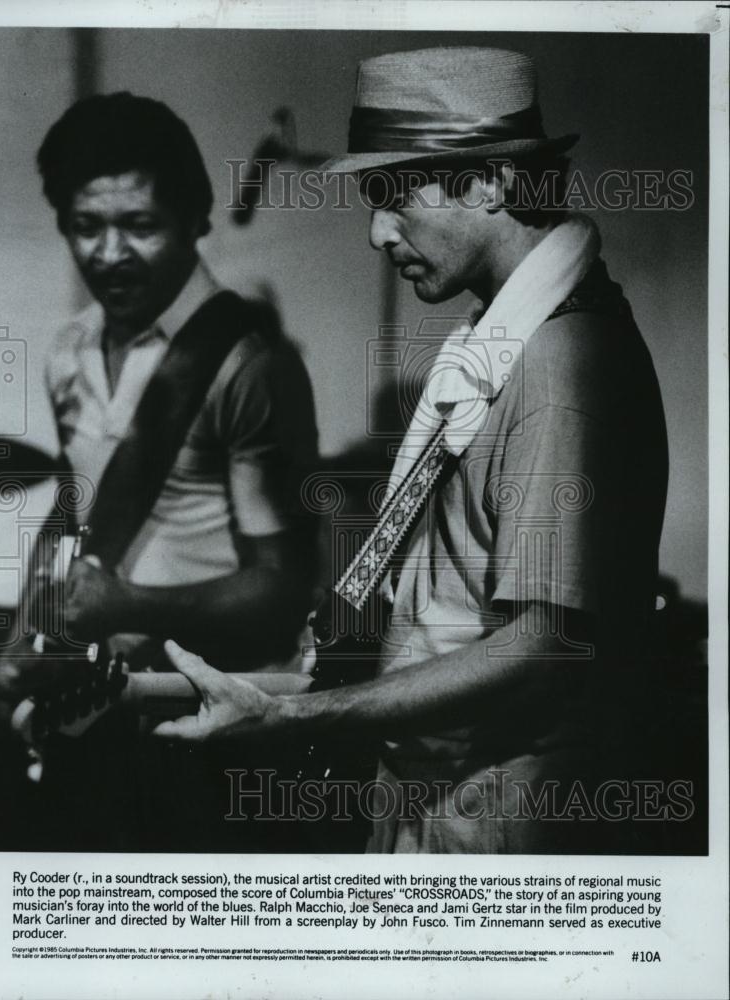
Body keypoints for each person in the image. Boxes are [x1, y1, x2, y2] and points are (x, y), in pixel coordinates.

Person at [153, 47, 670, 854]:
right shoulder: (499, 345)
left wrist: (295, 718)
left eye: (396, 195)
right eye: (370, 198)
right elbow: (437, 622)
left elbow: (541, 650)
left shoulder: (557, 361)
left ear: (494, 181)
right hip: (434, 805)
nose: (376, 232)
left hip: (497, 833)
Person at [0, 92, 318, 850]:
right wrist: (22, 640)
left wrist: (127, 601)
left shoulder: (253, 365)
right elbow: (77, 510)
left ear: (196, 221)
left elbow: (282, 588)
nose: (108, 254)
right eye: (85, 227)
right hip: (97, 704)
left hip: (212, 711)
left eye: (139, 226)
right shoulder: (69, 349)